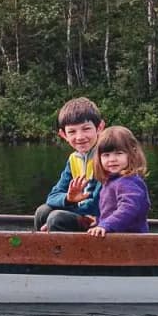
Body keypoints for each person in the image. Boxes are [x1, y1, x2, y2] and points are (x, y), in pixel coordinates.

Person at [34, 97, 104, 231]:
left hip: (100, 219)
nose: (80, 137)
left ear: (99, 127)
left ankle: (66, 250)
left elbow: (100, 202)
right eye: (72, 131)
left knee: (56, 218)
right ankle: (44, 249)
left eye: (86, 129)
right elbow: (53, 197)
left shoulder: (106, 158)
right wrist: (69, 198)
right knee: (42, 212)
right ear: (63, 135)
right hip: (82, 212)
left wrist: (76, 208)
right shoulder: (74, 159)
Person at [87, 126, 151, 237]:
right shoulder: (110, 181)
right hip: (115, 237)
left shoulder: (128, 181)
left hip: (131, 240)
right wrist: (99, 221)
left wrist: (106, 225)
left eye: (119, 153)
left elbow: (129, 208)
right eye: (106, 155)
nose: (112, 159)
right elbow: (109, 210)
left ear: (132, 153)